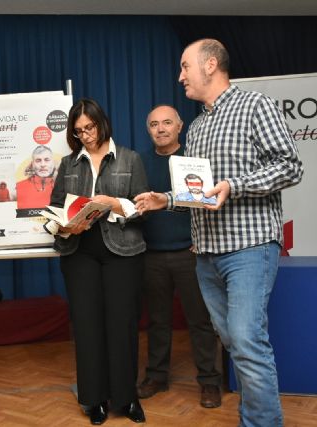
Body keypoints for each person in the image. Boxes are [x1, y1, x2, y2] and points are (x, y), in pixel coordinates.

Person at [135, 39, 303, 427]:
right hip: (206, 253)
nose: (180, 76)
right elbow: (198, 194)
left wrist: (235, 185)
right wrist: (166, 199)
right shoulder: (195, 127)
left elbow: (291, 167)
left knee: (246, 341)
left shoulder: (255, 106)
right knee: (234, 343)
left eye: (184, 67)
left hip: (249, 247)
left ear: (210, 65)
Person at [47, 98, 148, 425]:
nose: (85, 136)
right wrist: (63, 224)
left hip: (122, 250)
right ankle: (95, 400)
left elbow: (141, 207)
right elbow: (55, 207)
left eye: (89, 128)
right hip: (79, 252)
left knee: (122, 324)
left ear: (101, 123)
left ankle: (126, 398)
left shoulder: (130, 158)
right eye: (78, 132)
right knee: (88, 327)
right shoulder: (68, 164)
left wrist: (114, 204)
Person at [137, 105, 222, 408]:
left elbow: (207, 202)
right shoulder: (139, 163)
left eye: (167, 123)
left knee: (199, 321)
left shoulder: (194, 161)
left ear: (180, 126)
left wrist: (200, 241)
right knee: (157, 321)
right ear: (148, 129)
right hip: (152, 255)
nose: (160, 129)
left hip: (190, 253)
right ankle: (157, 376)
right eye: (154, 124)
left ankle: (210, 382)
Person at [15, 144, 55, 209]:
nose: (43, 164)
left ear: (53, 163)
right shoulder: (18, 187)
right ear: (32, 164)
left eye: (47, 160)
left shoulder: (62, 187)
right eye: (38, 160)